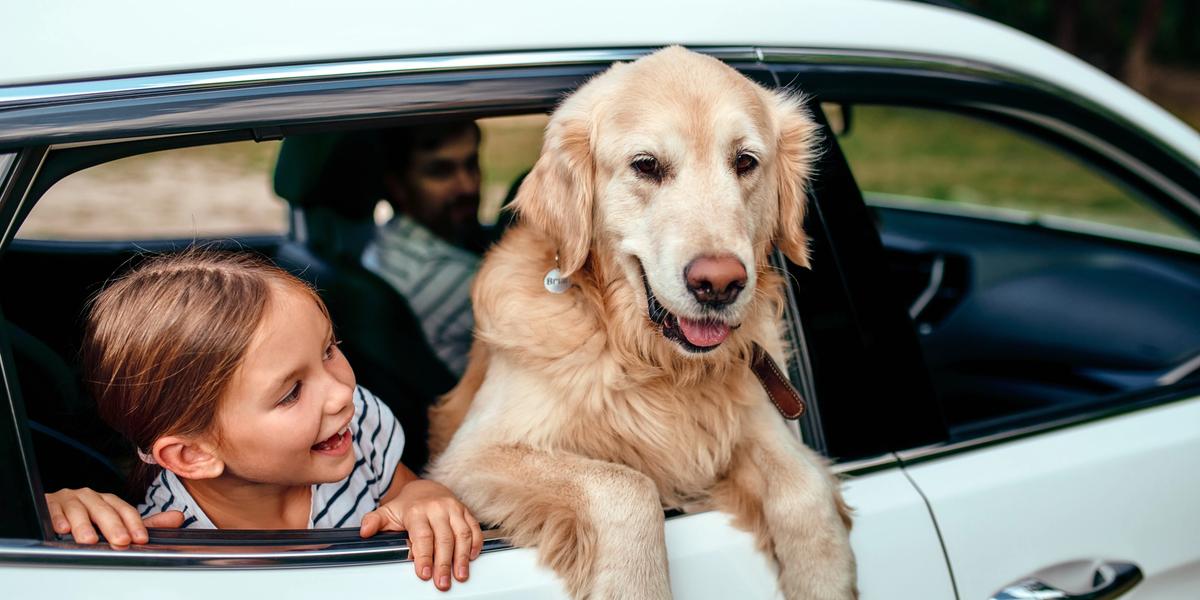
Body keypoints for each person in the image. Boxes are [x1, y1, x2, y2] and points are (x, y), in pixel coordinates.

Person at [44, 248, 482, 592]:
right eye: (291, 392)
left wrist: (427, 497)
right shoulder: (166, 537)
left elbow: (405, 490)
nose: (341, 393)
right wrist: (52, 518)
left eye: (329, 350)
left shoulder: (358, 426)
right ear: (193, 454)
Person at [363, 121, 484, 376]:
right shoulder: (460, 280)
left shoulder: (386, 238)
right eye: (441, 171)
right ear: (398, 186)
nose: (468, 186)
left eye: (471, 164)